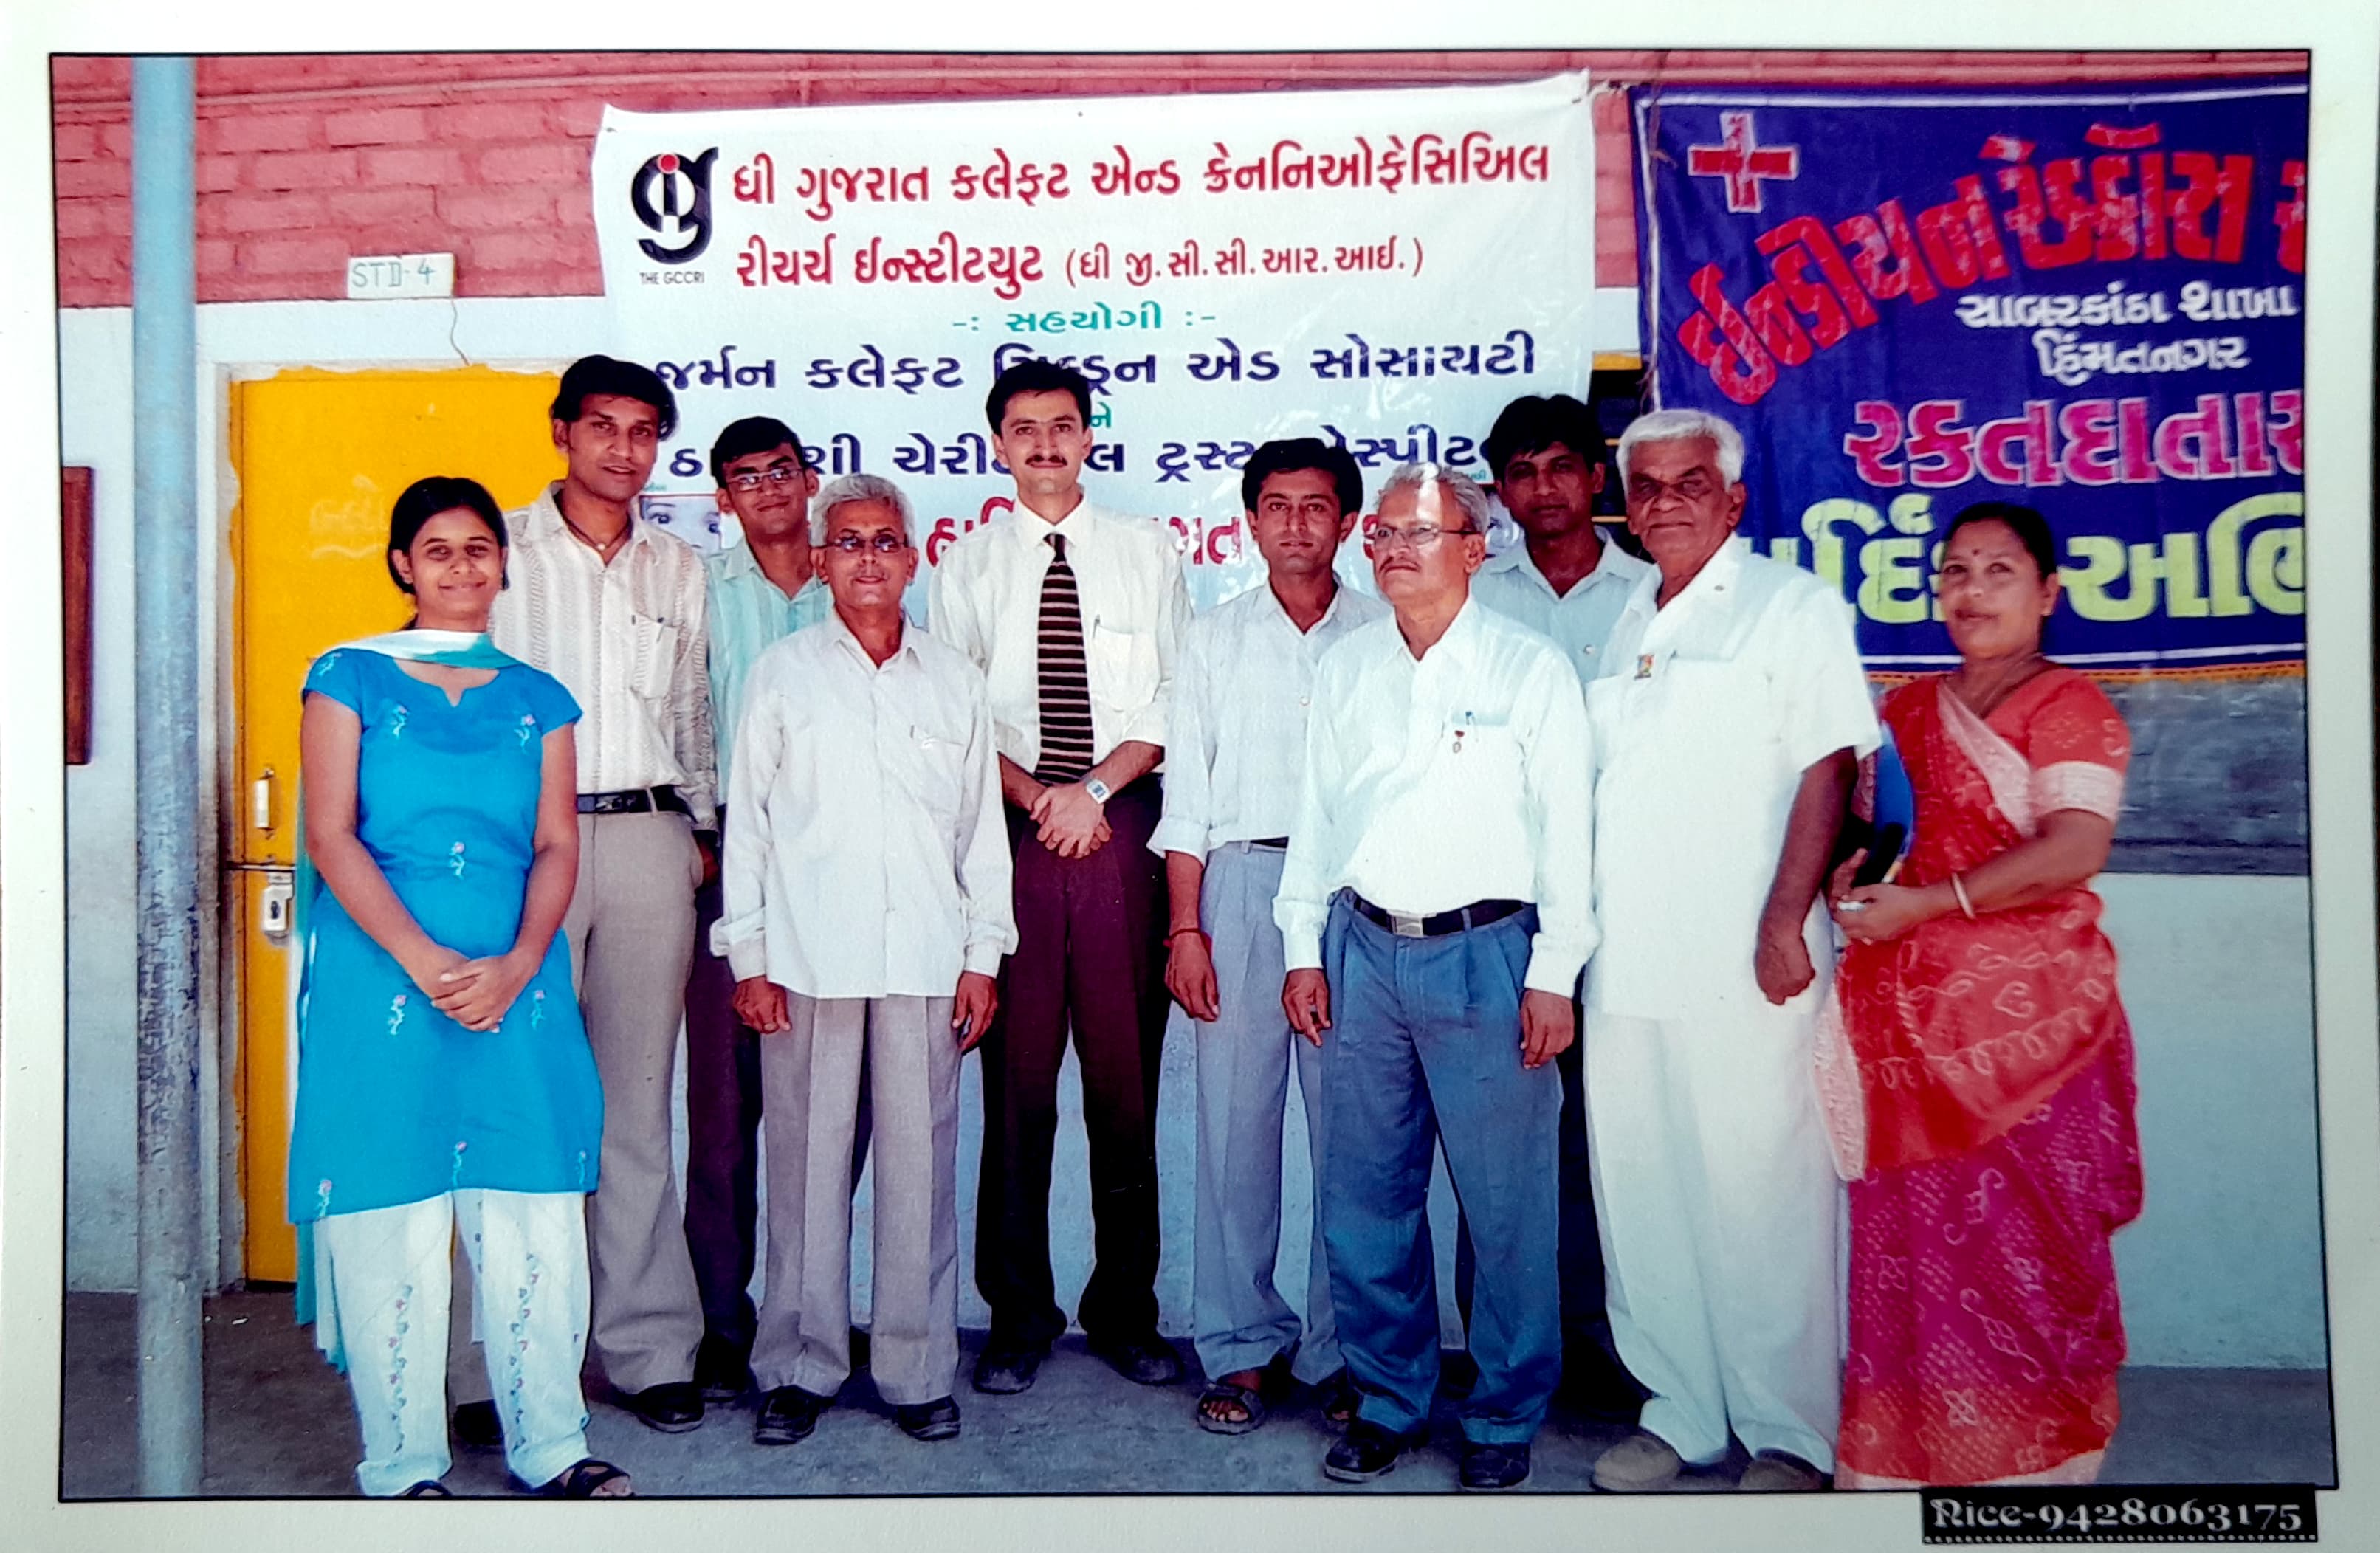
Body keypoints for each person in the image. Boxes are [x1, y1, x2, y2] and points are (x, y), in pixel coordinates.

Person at [289, 476, 628, 1497]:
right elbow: (330, 834)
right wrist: (422, 961)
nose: (462, 566)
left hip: (513, 980)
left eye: (479, 547)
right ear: (402, 564)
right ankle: (401, 1465)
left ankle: (551, 1449)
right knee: (391, 1210)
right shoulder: (346, 676)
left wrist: (523, 961)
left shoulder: (538, 697)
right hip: (381, 975)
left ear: (502, 562)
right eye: (437, 549)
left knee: (531, 1209)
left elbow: (558, 843)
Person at [1275, 463, 1594, 1492]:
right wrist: (1300, 950)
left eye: (1424, 533)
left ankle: (1503, 1412)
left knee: (1508, 1209)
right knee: (1366, 1197)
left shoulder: (1529, 668)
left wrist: (1554, 975)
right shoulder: (1351, 666)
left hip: (1490, 957)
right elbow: (1317, 817)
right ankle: (1389, 1399)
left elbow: (1569, 839)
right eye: (1386, 534)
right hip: (1364, 952)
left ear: (1475, 547)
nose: (1397, 549)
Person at [1581, 409, 1879, 1495]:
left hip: (1753, 960)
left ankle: (1790, 1431)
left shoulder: (1790, 609)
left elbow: (1831, 768)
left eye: (1689, 482)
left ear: (1736, 498)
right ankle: (1681, 1412)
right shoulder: (1626, 617)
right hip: (1627, 961)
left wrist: (1780, 919)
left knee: (1762, 1190)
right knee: (1644, 1191)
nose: (1664, 500)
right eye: (1646, 484)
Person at [1820, 501, 2141, 1488]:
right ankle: (1908, 1470)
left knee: (2032, 1252)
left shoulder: (2069, 706)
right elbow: (1875, 835)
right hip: (1909, 1046)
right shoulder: (1910, 710)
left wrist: (1927, 904)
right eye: (1956, 571)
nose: (1971, 591)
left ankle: (2033, 1476)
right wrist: (1850, 879)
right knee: (1918, 1256)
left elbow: (2076, 848)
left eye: (1999, 572)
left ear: (2048, 592)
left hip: (2035, 1040)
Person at [719, 474, 1017, 1447]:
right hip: (807, 964)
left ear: (913, 554)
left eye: (885, 540)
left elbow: (982, 837)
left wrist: (983, 958)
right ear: (820, 560)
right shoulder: (783, 674)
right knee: (803, 1172)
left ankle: (916, 1368)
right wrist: (750, 957)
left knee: (919, 1173)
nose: (868, 559)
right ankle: (798, 1366)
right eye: (847, 543)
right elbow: (749, 831)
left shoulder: (955, 681)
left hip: (927, 962)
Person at [928, 357, 1193, 1395]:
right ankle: (1018, 1316)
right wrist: (1041, 797)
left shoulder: (1145, 551)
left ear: (1091, 437)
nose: (1045, 443)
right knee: (1019, 1092)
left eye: (1063, 425)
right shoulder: (968, 568)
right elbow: (955, 718)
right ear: (998, 446)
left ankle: (1127, 1309)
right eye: (1024, 428)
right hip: (1015, 833)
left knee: (1125, 1093)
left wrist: (1092, 789)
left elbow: (1177, 696)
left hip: (1122, 825)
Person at [483, 354, 715, 1434]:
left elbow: (696, 717)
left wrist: (700, 835)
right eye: (603, 428)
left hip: (647, 840)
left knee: (634, 1110)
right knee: (508, 1105)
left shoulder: (680, 567)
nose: (625, 449)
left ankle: (649, 1349)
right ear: (561, 434)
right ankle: (483, 1368)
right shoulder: (502, 558)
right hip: (523, 848)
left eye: (644, 431)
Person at [1152, 438, 1387, 1435]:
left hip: (1355, 897)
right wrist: (1184, 929)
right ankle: (1240, 1348)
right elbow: (1189, 800)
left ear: (1347, 522)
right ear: (1248, 521)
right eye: (1276, 506)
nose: (1296, 523)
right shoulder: (1211, 639)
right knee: (1235, 1131)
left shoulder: (1387, 634)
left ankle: (1346, 1354)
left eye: (1316, 506)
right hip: (1241, 887)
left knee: (1356, 1139)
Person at [1469, 392, 1654, 1416]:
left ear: (1597, 477)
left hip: (1630, 901)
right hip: (1504, 910)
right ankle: (1508, 1351)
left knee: (1613, 1129)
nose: (1543, 491)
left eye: (1561, 468)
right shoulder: (1477, 599)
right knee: (1503, 1134)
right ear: (1498, 493)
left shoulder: (1653, 595)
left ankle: (1611, 1341)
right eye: (1521, 473)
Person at [681, 415, 836, 1402]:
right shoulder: (703, 594)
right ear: (724, 497)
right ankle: (720, 1325)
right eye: (746, 477)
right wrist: (701, 833)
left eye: (782, 468)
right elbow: (681, 714)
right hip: (730, 855)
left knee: (833, 1112)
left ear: (808, 477)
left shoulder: (860, 583)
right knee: (726, 1111)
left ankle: (811, 1311)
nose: (768, 487)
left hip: (838, 862)